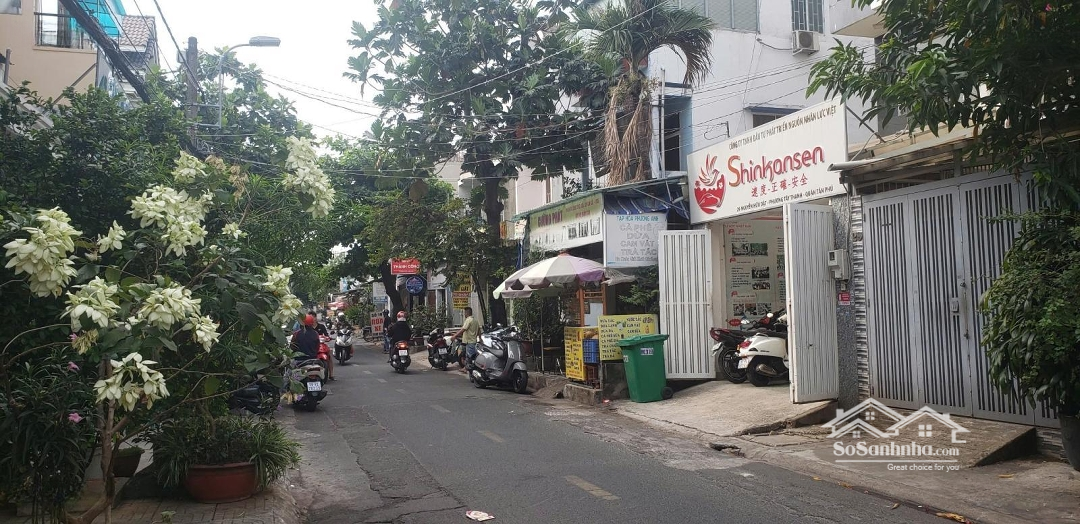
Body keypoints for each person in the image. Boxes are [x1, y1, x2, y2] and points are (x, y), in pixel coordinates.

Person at [452, 307, 481, 373]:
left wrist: (455, 335)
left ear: (467, 313)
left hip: (469, 341)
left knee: (469, 356)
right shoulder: (475, 320)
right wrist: (480, 338)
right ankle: (465, 367)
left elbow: (463, 329)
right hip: (473, 341)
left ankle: (468, 369)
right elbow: (479, 330)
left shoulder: (468, 320)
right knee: (468, 355)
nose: (464, 314)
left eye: (465, 312)